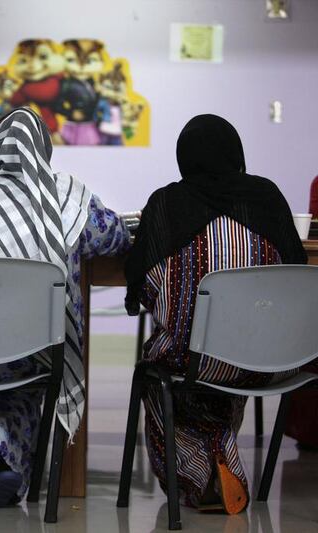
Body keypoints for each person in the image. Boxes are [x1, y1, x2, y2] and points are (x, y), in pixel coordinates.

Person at [0, 107, 130, 510]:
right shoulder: (67, 198)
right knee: (22, 390)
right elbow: (115, 236)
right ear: (44, 148)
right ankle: (4, 455)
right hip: (33, 354)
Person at [124, 114, 307, 514]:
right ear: (236, 154)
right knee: (229, 358)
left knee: (166, 365)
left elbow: (147, 290)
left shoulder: (166, 205)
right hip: (269, 362)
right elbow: (296, 275)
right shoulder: (269, 199)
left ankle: (200, 475)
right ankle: (221, 457)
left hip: (194, 361)